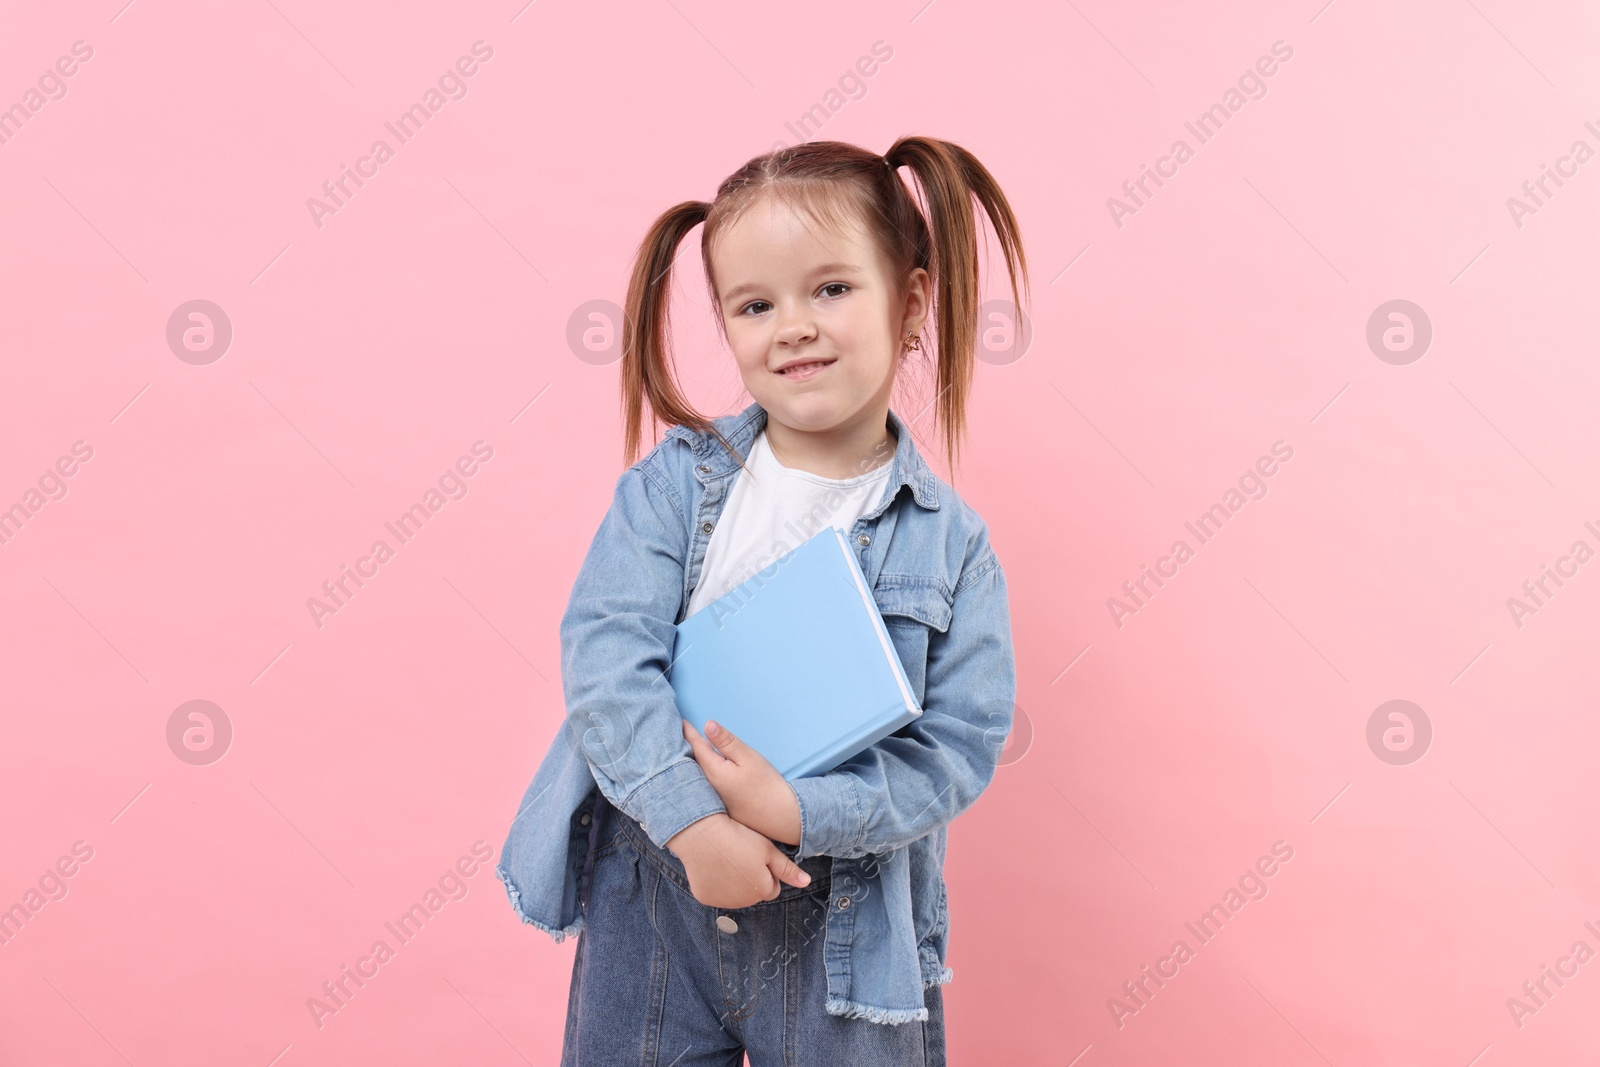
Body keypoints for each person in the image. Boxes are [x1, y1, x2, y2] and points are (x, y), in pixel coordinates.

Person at [496, 135, 1029, 1065]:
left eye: (831, 288)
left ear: (910, 302)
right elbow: (606, 653)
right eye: (755, 304)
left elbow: (960, 746)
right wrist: (695, 823)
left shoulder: (952, 544)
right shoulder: (675, 487)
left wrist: (796, 810)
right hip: (657, 891)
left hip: (848, 930)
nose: (792, 325)